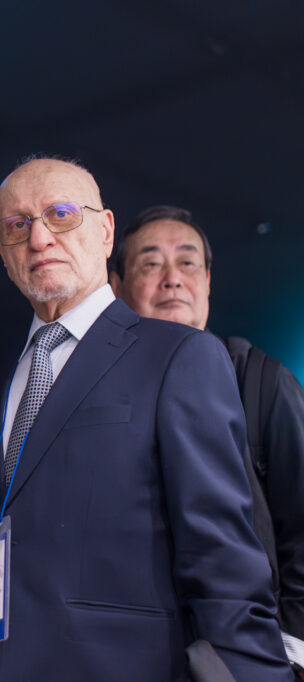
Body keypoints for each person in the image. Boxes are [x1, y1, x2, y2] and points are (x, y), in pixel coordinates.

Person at [0, 157, 293, 680]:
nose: (39, 238)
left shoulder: (178, 356)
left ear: (106, 231)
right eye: (17, 225)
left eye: (61, 214)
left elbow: (224, 564)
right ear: (3, 252)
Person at [110, 205, 304, 672]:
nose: (172, 279)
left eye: (188, 262)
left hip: (247, 656)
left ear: (208, 281)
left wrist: (288, 653)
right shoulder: (98, 395)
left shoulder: (259, 382)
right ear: (116, 286)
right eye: (150, 264)